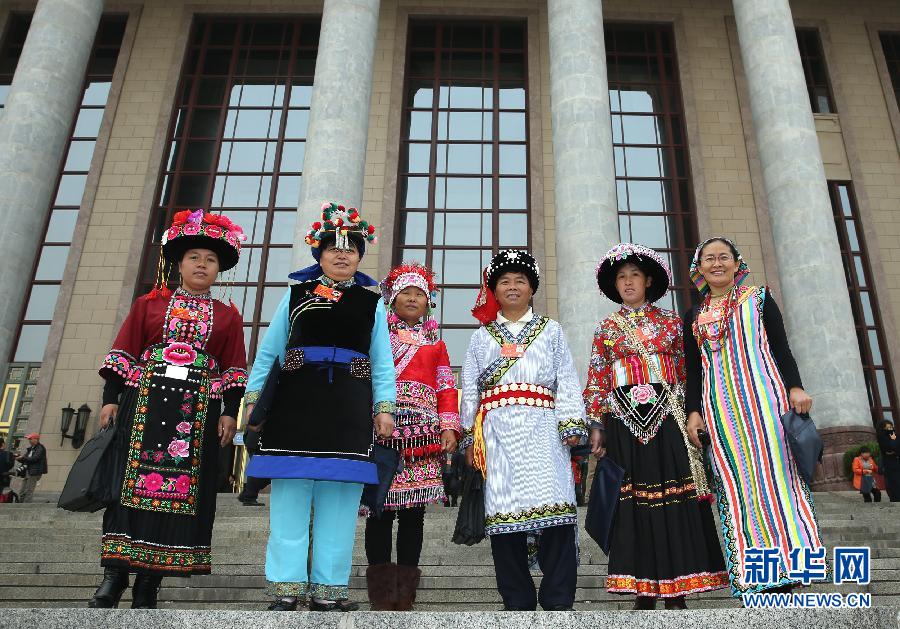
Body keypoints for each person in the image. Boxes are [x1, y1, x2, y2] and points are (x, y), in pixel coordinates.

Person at [90, 209, 248, 609]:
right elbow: (124, 349)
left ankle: (150, 584)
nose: (202, 264)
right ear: (178, 263)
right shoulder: (149, 304)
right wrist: (111, 399)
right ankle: (114, 577)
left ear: (219, 270)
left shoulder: (228, 317)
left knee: (179, 496)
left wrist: (230, 412)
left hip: (195, 415)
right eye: (195, 256)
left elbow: (232, 367)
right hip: (142, 407)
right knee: (128, 490)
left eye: (211, 260)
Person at [243, 202, 396, 612]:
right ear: (320, 253)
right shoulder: (294, 294)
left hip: (348, 407)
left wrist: (385, 408)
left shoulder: (372, 303)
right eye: (334, 248)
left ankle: (330, 590)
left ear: (360, 256)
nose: (342, 254)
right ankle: (286, 587)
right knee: (290, 499)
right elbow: (269, 353)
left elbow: (382, 360)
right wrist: (253, 400)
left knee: (340, 503)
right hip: (295, 405)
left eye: (351, 249)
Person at [584, 243, 728, 609]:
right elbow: (598, 378)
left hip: (668, 421)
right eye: (621, 277)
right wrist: (597, 424)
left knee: (672, 503)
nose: (628, 282)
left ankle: (677, 591)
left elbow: (687, 372)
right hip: (623, 425)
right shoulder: (605, 328)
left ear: (648, 281)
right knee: (632, 505)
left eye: (634, 275)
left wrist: (694, 413)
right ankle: (642, 591)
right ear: (614, 285)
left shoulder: (671, 324)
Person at [683, 236, 822, 598]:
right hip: (720, 414)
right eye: (709, 259)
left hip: (767, 405)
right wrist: (693, 412)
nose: (717, 264)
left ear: (736, 263)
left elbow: (781, 347)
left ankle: (793, 571)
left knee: (780, 483)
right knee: (738, 489)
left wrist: (795, 387)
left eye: (723, 257)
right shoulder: (693, 315)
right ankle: (755, 578)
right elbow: (693, 371)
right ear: (699, 269)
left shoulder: (759, 298)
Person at [460, 249, 587, 611]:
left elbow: (566, 377)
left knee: (556, 511)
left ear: (532, 288)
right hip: (496, 432)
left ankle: (558, 600)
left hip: (543, 427)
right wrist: (471, 435)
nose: (512, 286)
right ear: (493, 291)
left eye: (520, 280)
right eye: (504, 281)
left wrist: (571, 423)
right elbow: (470, 386)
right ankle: (516, 602)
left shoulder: (551, 330)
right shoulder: (482, 337)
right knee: (504, 518)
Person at [364, 262, 460, 611]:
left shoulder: (436, 344)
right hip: (381, 430)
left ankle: (403, 595)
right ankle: (380, 594)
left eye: (419, 293)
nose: (413, 298)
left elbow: (446, 387)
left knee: (413, 514)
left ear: (428, 302)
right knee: (378, 511)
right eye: (406, 291)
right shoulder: (377, 337)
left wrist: (449, 426)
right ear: (392, 297)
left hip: (422, 439)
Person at [16, 432, 47, 503]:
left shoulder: (40, 448)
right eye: (29, 439)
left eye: (30, 439)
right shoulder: (31, 449)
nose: (29, 440)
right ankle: (20, 504)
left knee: (29, 490)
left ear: (36, 439)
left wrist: (23, 457)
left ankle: (26, 507)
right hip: (27, 471)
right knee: (22, 490)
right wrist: (19, 458)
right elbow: (26, 460)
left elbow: (34, 458)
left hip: (34, 472)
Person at [877, 420, 899, 502]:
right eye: (887, 428)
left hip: (897, 463)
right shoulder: (882, 438)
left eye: (891, 427)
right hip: (890, 466)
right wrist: (893, 441)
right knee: (894, 484)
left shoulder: (896, 436)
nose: (890, 429)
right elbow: (888, 449)